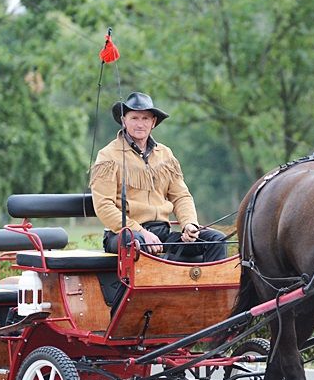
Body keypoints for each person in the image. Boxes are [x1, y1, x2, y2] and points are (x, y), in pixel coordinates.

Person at [89, 91, 227, 262]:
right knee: (136, 243)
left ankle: (208, 287)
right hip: (124, 235)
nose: (140, 124)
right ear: (124, 121)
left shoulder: (165, 155)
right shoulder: (108, 156)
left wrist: (189, 224)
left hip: (162, 234)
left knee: (216, 240)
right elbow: (104, 206)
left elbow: (181, 196)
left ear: (153, 122)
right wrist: (139, 231)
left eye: (145, 118)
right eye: (134, 118)